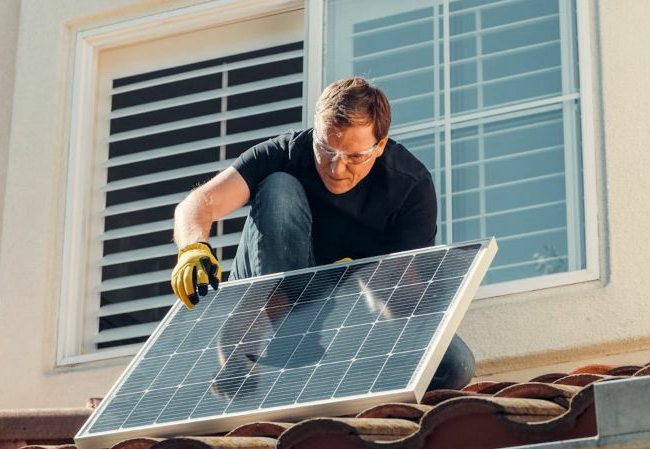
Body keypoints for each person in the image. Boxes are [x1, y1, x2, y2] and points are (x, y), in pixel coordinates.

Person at [170, 76, 475, 391]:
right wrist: (192, 249)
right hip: (278, 296)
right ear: (315, 132)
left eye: (354, 157)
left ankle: (326, 354)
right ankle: (262, 334)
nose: (336, 168)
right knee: (278, 186)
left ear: (381, 145)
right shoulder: (286, 153)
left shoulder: (409, 187)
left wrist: (369, 290)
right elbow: (199, 203)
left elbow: (409, 301)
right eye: (325, 149)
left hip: (351, 310)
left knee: (453, 365)